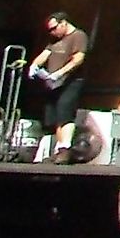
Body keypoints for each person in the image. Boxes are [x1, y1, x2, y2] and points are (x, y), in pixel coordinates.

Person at [31, 12, 88, 162]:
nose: (52, 32)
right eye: (50, 30)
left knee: (65, 110)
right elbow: (45, 53)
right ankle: (59, 149)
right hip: (54, 83)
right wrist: (34, 65)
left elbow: (78, 59)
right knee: (56, 115)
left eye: (54, 28)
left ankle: (66, 148)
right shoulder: (55, 39)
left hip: (71, 81)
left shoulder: (78, 36)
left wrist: (60, 73)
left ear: (64, 23)